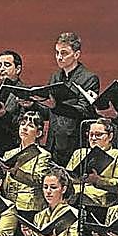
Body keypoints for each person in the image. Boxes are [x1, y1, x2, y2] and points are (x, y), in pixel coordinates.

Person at [42, 31, 100, 165]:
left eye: (64, 53)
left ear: (76, 55)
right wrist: (32, 103)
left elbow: (84, 110)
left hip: (74, 141)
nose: (59, 57)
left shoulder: (89, 78)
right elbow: (48, 110)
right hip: (53, 140)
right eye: (57, 53)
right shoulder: (55, 77)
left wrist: (56, 106)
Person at [2, 111, 52, 213]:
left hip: (30, 207)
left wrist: (16, 172)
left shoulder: (43, 155)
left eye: (30, 126)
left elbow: (39, 181)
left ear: (38, 133)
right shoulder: (9, 154)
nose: (24, 128)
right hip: (8, 204)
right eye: (22, 124)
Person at [0, 49, 25, 153]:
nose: (2, 68)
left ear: (18, 69)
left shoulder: (24, 93)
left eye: (7, 65)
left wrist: (4, 115)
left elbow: (23, 125)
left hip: (13, 146)